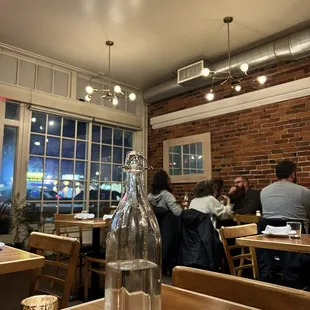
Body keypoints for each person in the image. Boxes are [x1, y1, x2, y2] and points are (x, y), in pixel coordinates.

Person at [261, 160, 310, 233]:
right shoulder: (304, 192)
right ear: (293, 174)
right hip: (296, 238)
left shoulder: (264, 191)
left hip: (269, 238)